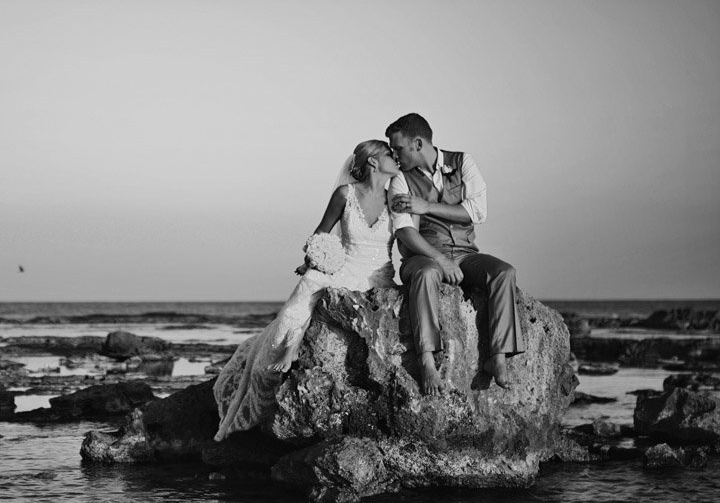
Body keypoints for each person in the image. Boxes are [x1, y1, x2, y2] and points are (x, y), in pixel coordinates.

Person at [213, 140, 399, 441]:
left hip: (379, 277)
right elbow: (322, 231)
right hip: (346, 266)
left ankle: (297, 342)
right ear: (374, 162)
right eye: (389, 154)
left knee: (320, 291)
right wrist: (314, 259)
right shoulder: (345, 194)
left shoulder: (397, 198)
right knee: (303, 296)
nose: (396, 158)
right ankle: (291, 343)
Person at [385, 112, 522, 395]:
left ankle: (497, 357)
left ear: (418, 144)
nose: (394, 155)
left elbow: (477, 211)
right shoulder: (399, 180)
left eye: (398, 148)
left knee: (504, 272)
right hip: (422, 256)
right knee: (426, 273)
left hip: (466, 253)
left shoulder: (463, 162)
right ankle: (427, 360)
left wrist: (426, 207)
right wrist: (440, 259)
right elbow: (404, 231)